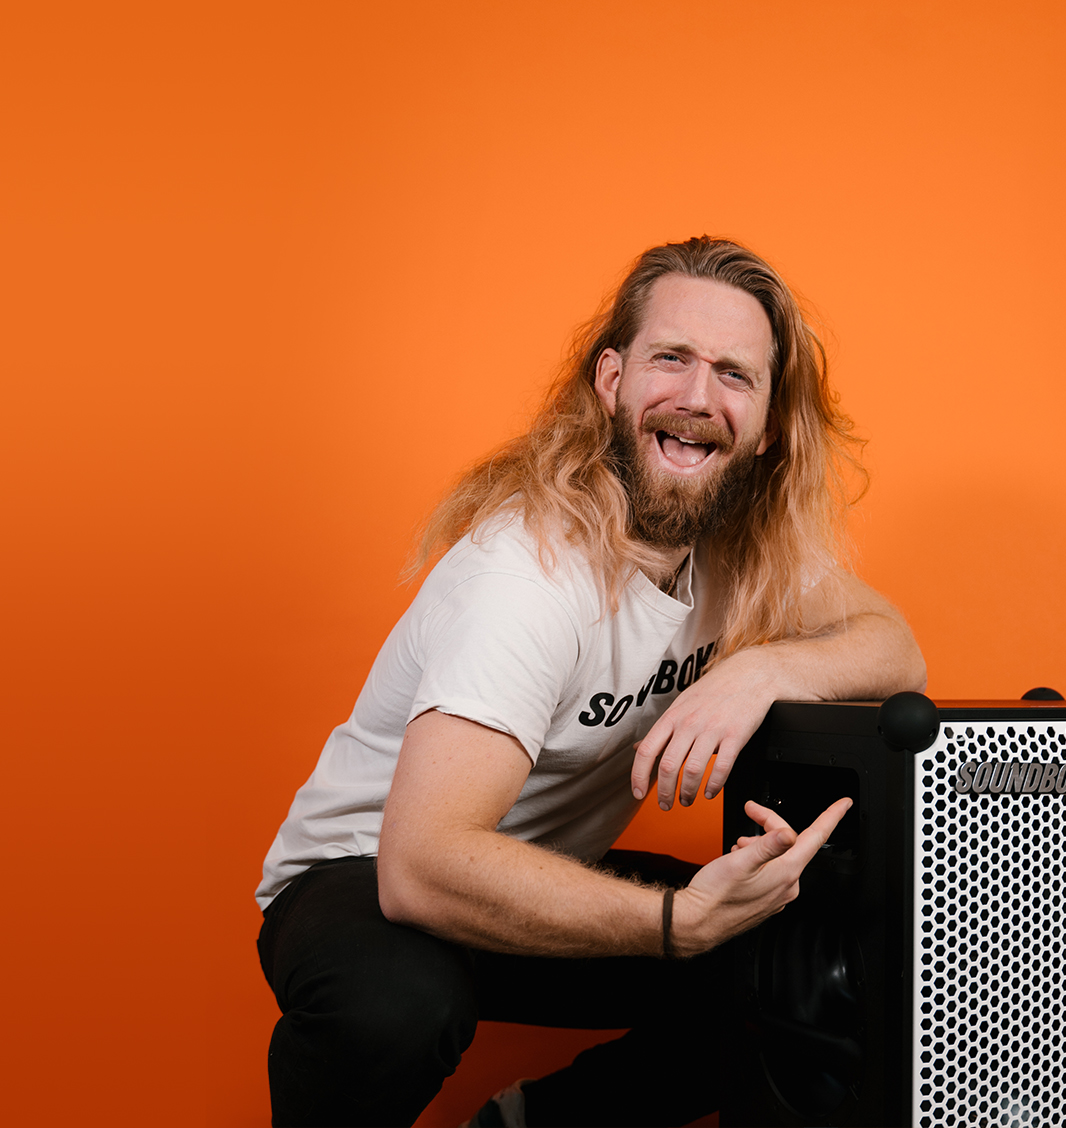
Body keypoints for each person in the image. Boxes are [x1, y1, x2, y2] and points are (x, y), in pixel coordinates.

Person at [254, 236, 926, 1127]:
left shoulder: (738, 555)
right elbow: (418, 868)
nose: (697, 397)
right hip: (365, 877)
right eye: (671, 359)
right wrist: (673, 922)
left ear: (767, 425)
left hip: (541, 870)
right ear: (610, 380)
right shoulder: (526, 577)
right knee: (398, 1008)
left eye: (734, 374)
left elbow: (896, 649)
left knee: (803, 960)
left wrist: (766, 668)